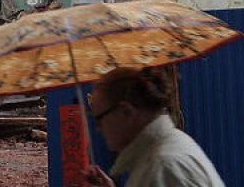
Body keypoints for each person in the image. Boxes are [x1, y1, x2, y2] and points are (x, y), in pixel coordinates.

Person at [84, 67, 224, 187]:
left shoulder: (163, 168)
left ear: (126, 112)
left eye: (99, 119)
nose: (98, 128)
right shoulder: (159, 155)